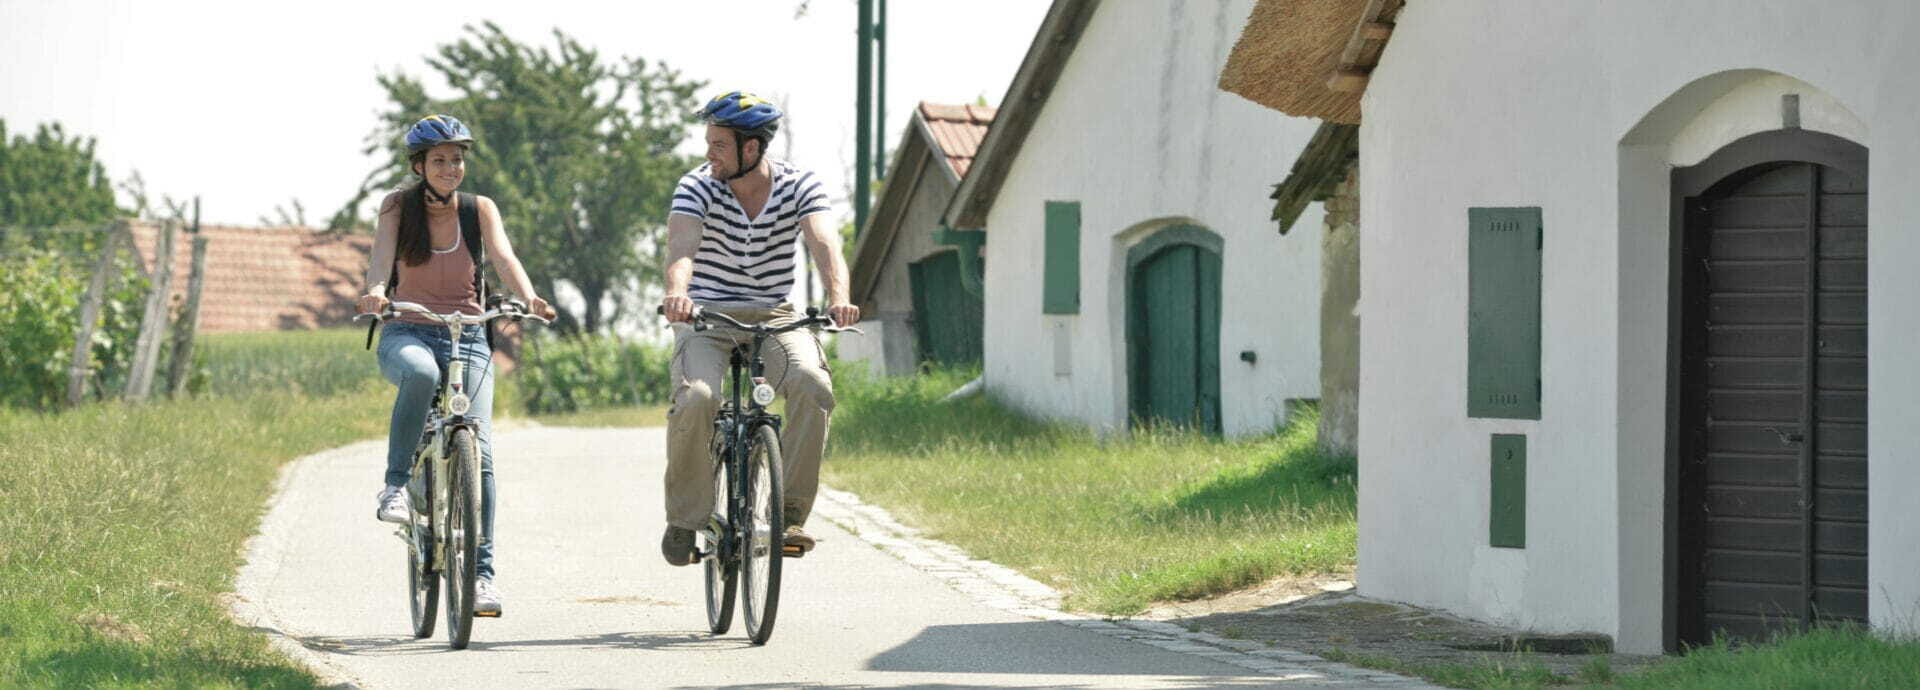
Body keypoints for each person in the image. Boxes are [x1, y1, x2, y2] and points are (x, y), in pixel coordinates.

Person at [357, 114, 557, 616]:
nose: (451, 168)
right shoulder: (397, 207)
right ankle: (396, 486)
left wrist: (529, 296)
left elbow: (504, 258)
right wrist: (377, 291)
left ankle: (482, 577)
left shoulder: (478, 209)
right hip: (408, 328)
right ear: (419, 166)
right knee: (422, 375)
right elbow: (380, 259)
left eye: (457, 160)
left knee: (481, 452)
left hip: (468, 335)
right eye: (440, 160)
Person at [658, 91, 858, 566]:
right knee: (697, 398)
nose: (709, 153)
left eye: (719, 145)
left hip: (775, 316)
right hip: (706, 316)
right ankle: (685, 518)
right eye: (708, 142)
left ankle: (789, 515)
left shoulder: (799, 184)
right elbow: (682, 246)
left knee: (812, 385)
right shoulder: (697, 185)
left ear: (751, 148)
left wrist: (838, 297)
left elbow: (825, 244)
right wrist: (677, 294)